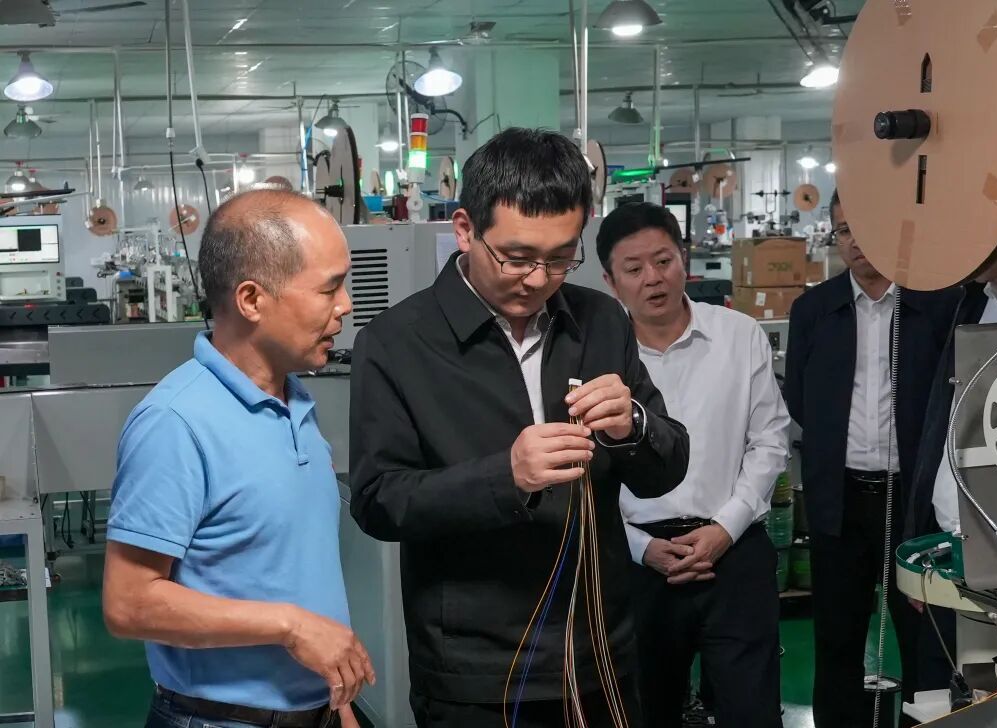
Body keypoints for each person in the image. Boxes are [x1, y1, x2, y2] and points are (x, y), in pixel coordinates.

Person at [349, 128, 690, 728]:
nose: (537, 279)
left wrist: (633, 426)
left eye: (560, 258)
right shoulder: (397, 343)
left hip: (599, 653)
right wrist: (504, 477)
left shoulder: (600, 320)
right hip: (478, 673)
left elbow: (667, 465)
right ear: (464, 229)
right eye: (517, 257)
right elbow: (379, 501)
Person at [103, 190, 374, 728]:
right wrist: (290, 627)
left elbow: (296, 570)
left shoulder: (293, 401)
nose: (345, 305)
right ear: (251, 300)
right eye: (329, 288)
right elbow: (128, 604)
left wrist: (337, 705)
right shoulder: (176, 423)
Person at [595, 202, 790, 728]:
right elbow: (588, 470)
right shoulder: (596, 358)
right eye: (633, 268)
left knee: (751, 711)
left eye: (663, 260)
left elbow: (770, 442)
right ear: (611, 282)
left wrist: (724, 529)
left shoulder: (739, 335)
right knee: (642, 710)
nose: (653, 278)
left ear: (684, 259)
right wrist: (642, 548)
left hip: (733, 550)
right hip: (637, 563)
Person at [784, 191, 959, 728]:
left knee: (924, 635)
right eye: (843, 231)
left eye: (865, 228)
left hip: (913, 506)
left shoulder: (936, 304)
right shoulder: (814, 310)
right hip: (841, 500)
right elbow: (799, 398)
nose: (856, 242)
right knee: (837, 637)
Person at [904, 197, 997, 694]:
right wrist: (920, 536)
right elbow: (938, 426)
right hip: (950, 552)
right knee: (954, 695)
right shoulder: (967, 303)